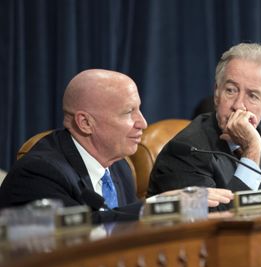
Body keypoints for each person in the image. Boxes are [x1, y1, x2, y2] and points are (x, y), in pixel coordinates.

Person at [0, 69, 233, 222]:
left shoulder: (120, 168)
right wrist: (157, 208)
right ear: (85, 122)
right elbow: (80, 233)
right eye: (128, 112)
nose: (142, 123)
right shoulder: (41, 172)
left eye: (139, 109)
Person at [148, 43, 261, 209]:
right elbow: (218, 226)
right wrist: (252, 153)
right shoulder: (186, 150)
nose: (238, 105)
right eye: (231, 90)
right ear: (217, 93)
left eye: (253, 96)